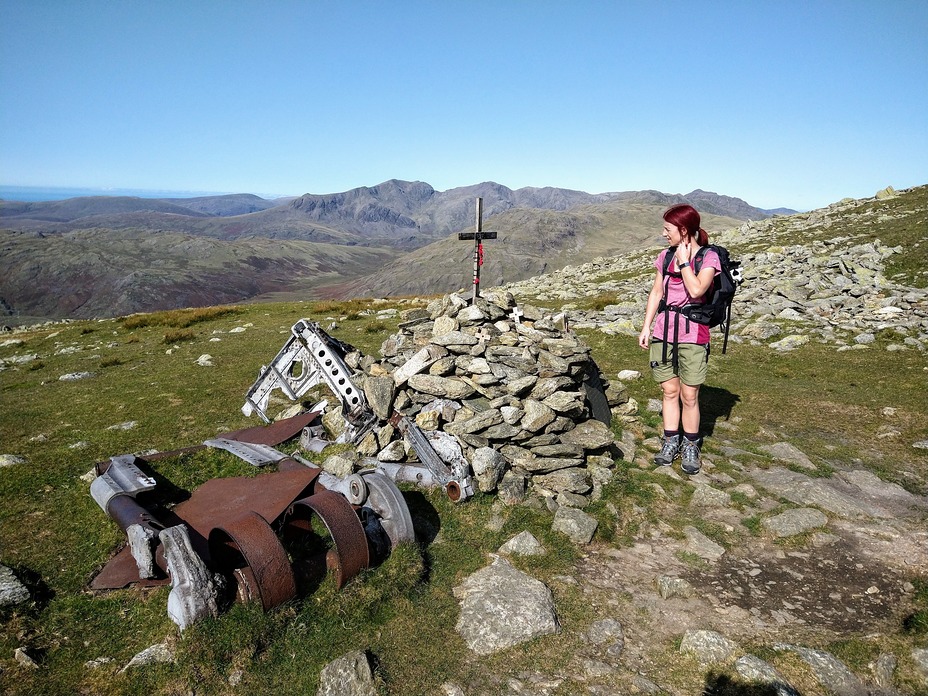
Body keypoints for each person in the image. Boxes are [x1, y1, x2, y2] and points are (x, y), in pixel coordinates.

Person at [637, 204, 721, 474]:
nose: (663, 234)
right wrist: (646, 326)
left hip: (693, 334)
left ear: (684, 230)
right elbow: (656, 292)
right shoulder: (664, 256)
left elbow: (697, 290)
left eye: (668, 229)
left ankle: (691, 446)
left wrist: (684, 262)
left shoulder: (709, 258)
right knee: (669, 391)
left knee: (689, 395)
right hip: (664, 331)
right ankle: (671, 441)